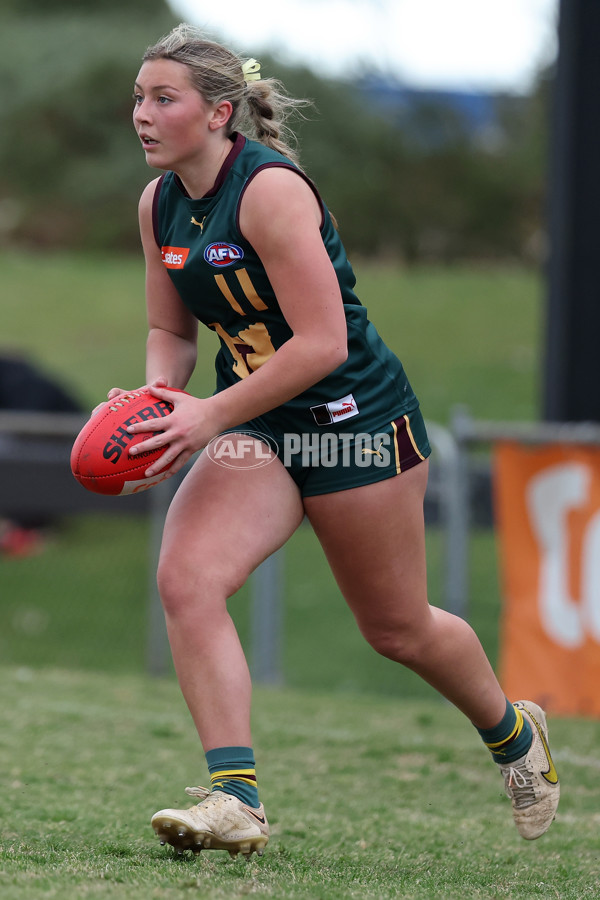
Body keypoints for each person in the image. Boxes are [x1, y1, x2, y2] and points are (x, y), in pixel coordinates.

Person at [108, 23, 559, 858]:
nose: (141, 113)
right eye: (139, 96)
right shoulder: (158, 202)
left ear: (220, 112)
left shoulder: (271, 192)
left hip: (354, 426)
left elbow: (323, 346)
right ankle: (235, 798)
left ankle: (513, 733)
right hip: (264, 428)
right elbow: (168, 334)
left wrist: (208, 415)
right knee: (187, 579)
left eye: (162, 98)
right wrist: (155, 405)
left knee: (396, 630)